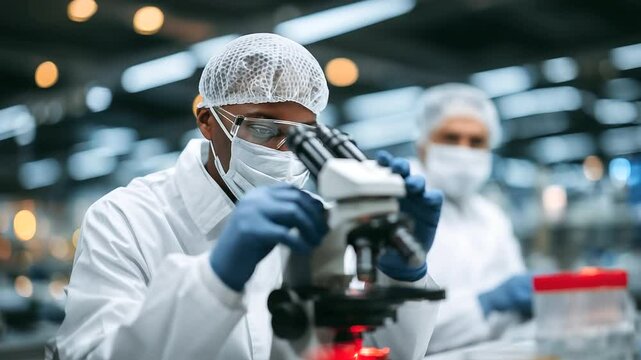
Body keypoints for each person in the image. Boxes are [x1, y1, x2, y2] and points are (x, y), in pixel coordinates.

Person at [53, 33, 444, 360]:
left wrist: (403, 274)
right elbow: (93, 353)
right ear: (207, 122)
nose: (284, 153)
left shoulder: (320, 220)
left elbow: (362, 350)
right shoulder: (126, 220)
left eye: (302, 136)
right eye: (262, 130)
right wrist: (214, 280)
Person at [413, 83, 533, 353]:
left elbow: (516, 320)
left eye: (476, 141)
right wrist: (485, 304)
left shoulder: (492, 217)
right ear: (423, 147)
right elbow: (401, 329)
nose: (464, 151)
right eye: (451, 138)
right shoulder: (398, 206)